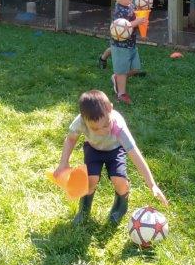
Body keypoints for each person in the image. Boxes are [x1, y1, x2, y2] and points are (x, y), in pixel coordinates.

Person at [54, 89, 168, 225]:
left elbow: (135, 154)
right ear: (84, 119)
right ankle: (84, 210)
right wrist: (63, 163)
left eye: (106, 125)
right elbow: (71, 139)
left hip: (115, 150)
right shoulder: (80, 121)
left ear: (111, 109)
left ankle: (120, 207)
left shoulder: (118, 126)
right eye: (95, 129)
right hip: (93, 149)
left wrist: (152, 184)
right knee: (90, 180)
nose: (102, 131)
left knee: (120, 181)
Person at [107, 0, 148, 104]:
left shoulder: (130, 6)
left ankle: (117, 77)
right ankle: (121, 94)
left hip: (131, 44)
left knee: (135, 69)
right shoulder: (119, 10)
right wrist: (137, 22)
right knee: (122, 71)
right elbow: (123, 26)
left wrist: (142, 23)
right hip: (120, 47)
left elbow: (135, 20)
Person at [98, 0, 136, 69]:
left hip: (131, 29)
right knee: (115, 48)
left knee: (129, 48)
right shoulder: (121, 1)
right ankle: (103, 58)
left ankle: (132, 69)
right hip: (119, 30)